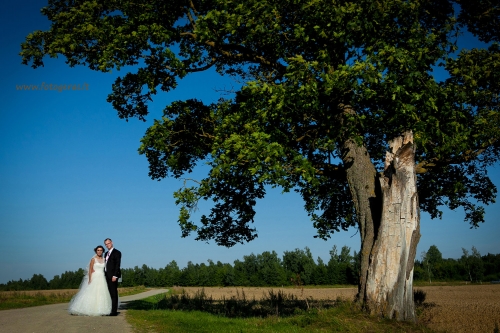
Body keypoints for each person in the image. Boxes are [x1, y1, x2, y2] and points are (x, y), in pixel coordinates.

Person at [68, 245, 112, 316]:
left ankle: (101, 309)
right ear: (96, 251)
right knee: (90, 293)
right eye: (98, 250)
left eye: (101, 250)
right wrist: (90, 279)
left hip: (102, 277)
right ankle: (81, 308)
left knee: (101, 293)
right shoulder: (93, 259)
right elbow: (90, 270)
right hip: (94, 277)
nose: (99, 251)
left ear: (103, 251)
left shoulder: (104, 259)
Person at [104, 238, 121, 316]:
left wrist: (115, 275)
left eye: (109, 243)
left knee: (114, 293)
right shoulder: (106, 253)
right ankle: (109, 309)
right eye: (106, 244)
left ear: (112, 242)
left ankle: (114, 311)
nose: (107, 245)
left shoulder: (117, 252)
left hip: (113, 276)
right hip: (106, 276)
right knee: (109, 293)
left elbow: (117, 265)